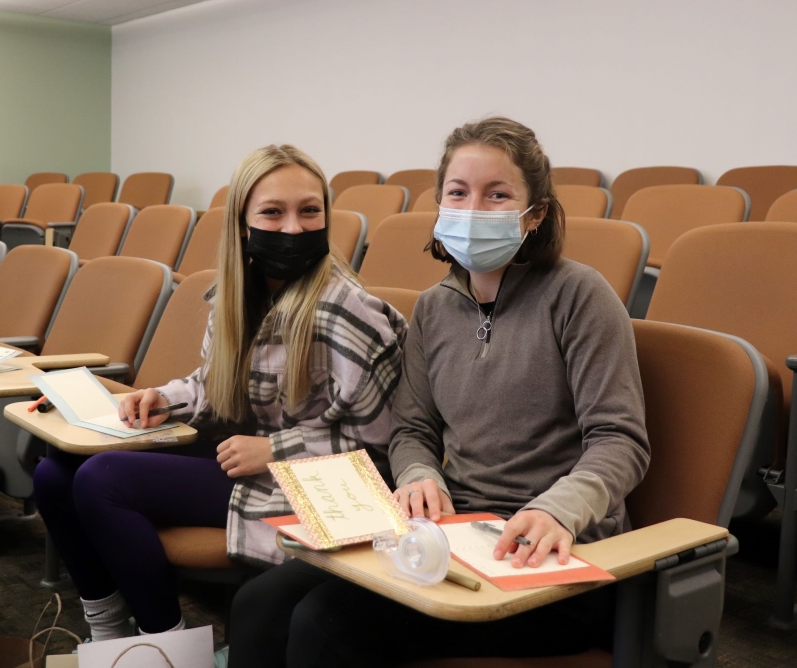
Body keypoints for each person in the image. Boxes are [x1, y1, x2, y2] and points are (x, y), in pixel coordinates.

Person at [228, 118, 650, 667]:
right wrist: (420, 475)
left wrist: (558, 512)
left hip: (553, 555)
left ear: (536, 213)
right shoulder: (433, 308)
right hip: (454, 536)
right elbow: (412, 429)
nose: (474, 208)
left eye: (497, 195)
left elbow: (621, 441)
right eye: (459, 192)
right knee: (259, 604)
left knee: (323, 628)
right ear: (441, 204)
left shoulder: (579, 296)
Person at [32, 144, 406, 642]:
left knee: (103, 477)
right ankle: (110, 633)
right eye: (273, 212)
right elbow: (214, 386)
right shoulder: (240, 294)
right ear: (243, 224)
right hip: (246, 459)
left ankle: (164, 644)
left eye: (309, 210)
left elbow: (380, 453)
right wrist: (163, 398)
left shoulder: (349, 312)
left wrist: (275, 450)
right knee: (53, 473)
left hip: (316, 487)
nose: (293, 229)